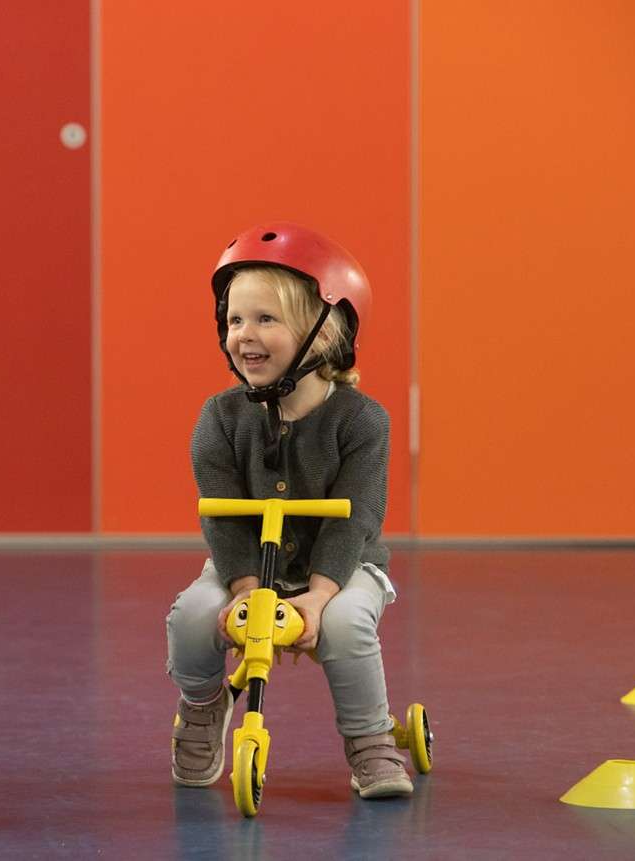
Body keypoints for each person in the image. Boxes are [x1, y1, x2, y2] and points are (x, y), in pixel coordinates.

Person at [166, 222, 412, 799]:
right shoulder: (219, 419)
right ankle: (203, 707)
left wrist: (322, 596)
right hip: (246, 564)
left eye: (265, 319)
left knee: (349, 628)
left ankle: (371, 740)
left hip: (343, 565)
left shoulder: (363, 421)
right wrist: (246, 589)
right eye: (234, 320)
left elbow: (357, 518)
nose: (244, 335)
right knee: (191, 617)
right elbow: (220, 517)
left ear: (324, 334)